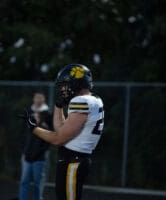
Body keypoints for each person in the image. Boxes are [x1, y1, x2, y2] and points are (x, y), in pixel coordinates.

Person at [24, 64, 104, 200]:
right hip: (77, 158)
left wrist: (34, 128)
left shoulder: (81, 101)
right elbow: (60, 128)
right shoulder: (94, 99)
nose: (62, 89)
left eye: (65, 84)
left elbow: (58, 138)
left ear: (76, 82)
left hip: (74, 161)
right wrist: (59, 106)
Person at [19, 92, 52, 200]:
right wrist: (24, 150)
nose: (38, 100)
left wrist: (40, 123)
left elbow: (51, 134)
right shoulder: (28, 112)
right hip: (27, 154)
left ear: (44, 100)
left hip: (40, 155)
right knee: (24, 181)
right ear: (33, 99)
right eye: (36, 98)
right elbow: (23, 132)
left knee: (38, 183)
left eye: (40, 98)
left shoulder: (48, 114)